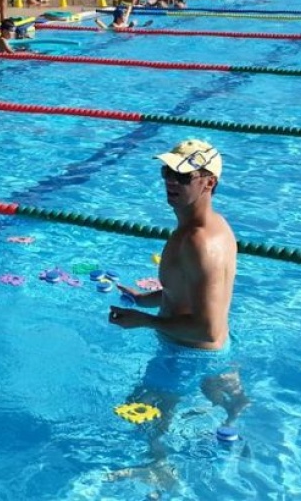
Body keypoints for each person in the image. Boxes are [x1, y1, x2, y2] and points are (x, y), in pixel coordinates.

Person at [104, 139, 247, 487]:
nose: (171, 181)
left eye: (183, 176)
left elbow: (207, 330)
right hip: (203, 352)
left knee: (142, 414)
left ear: (208, 182)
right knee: (224, 401)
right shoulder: (207, 228)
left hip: (186, 353)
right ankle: (236, 419)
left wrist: (144, 322)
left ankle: (158, 469)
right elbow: (185, 293)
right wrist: (145, 299)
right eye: (167, 171)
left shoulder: (201, 242)